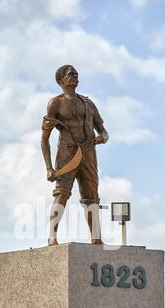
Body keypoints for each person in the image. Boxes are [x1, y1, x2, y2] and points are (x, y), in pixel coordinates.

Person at [41, 64, 109, 246]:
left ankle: (96, 237)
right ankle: (52, 236)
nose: (75, 76)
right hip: (66, 154)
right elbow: (44, 139)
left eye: (77, 74)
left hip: (89, 154)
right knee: (61, 193)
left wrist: (103, 137)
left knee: (91, 196)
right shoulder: (55, 103)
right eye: (71, 74)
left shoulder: (88, 103)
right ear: (61, 80)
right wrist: (49, 167)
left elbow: (103, 130)